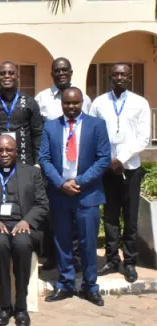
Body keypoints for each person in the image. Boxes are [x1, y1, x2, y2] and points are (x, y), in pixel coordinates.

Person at [39, 87, 111, 307]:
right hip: (60, 194)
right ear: (61, 103)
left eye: (75, 103)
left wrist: (78, 182)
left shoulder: (96, 125)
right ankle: (65, 284)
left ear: (82, 103)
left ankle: (90, 286)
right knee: (62, 242)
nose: (71, 107)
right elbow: (44, 159)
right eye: (67, 103)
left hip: (86, 193)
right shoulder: (51, 127)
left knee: (88, 243)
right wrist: (61, 184)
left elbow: (103, 159)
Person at [0, 135, 49, 326]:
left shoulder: (32, 173)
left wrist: (26, 221)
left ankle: (21, 306)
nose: (4, 154)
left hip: (23, 225)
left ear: (16, 151)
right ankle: (5, 305)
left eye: (8, 150)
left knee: (22, 244)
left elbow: (42, 204)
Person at [90, 63, 151, 283]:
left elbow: (144, 137)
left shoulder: (139, 103)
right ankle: (111, 259)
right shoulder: (99, 103)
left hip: (130, 168)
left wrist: (121, 159)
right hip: (107, 169)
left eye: (123, 74)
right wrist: (107, 160)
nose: (119, 77)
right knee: (110, 217)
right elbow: (93, 132)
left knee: (130, 218)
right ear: (110, 77)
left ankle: (130, 262)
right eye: (115, 74)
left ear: (130, 77)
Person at [34, 58, 91, 271]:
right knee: (51, 213)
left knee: (76, 215)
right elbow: (37, 131)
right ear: (51, 73)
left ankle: (75, 258)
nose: (61, 73)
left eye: (64, 69)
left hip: (77, 165)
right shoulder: (42, 98)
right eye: (57, 70)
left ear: (71, 72)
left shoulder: (84, 98)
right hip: (52, 165)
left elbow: (90, 130)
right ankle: (51, 256)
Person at [0, 61, 43, 169]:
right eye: (2, 73)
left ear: (17, 77)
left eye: (11, 73)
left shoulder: (30, 102)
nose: (7, 76)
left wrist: (37, 162)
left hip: (25, 162)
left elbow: (38, 134)